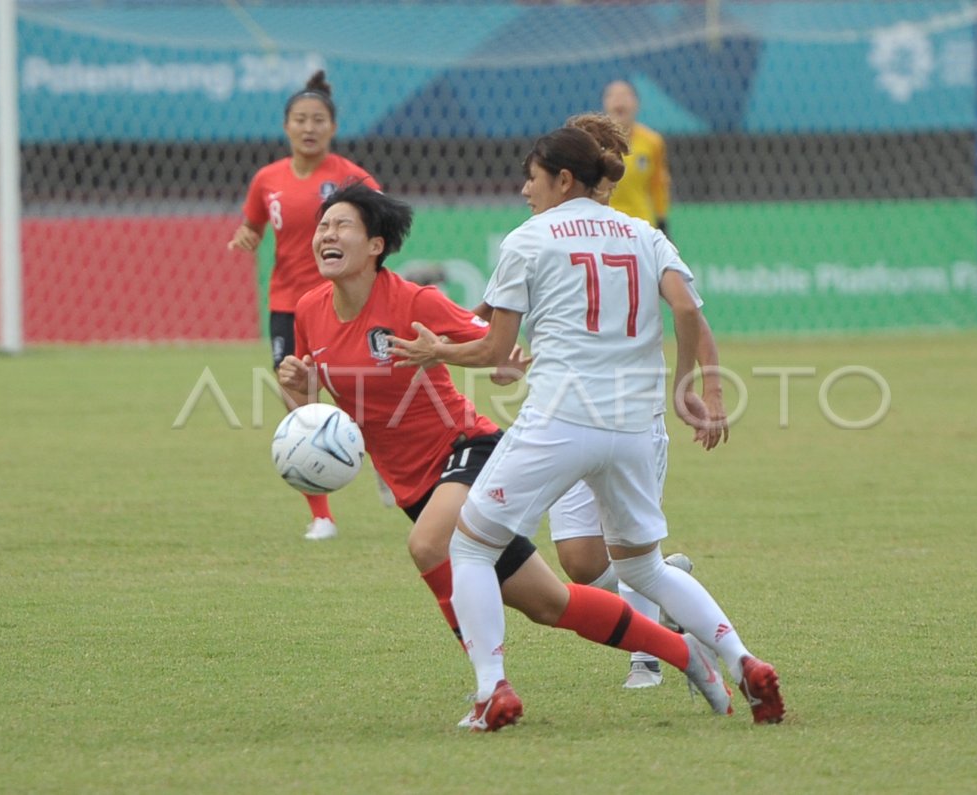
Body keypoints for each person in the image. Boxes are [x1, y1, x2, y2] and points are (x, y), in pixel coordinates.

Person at [275, 183, 736, 730]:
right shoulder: (309, 311)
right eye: (322, 226)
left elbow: (492, 343)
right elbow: (322, 418)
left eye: (341, 225)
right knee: (550, 603)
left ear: (376, 244)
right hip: (412, 485)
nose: (327, 234)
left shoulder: (413, 301)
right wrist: (299, 391)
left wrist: (509, 362)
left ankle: (492, 690)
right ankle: (687, 655)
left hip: (466, 448)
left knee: (428, 546)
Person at [389, 119, 784, 730]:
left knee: (468, 545)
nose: (525, 189)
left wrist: (433, 352)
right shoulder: (641, 232)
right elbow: (684, 307)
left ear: (562, 178)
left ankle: (492, 690)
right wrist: (691, 386)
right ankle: (743, 661)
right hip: (633, 426)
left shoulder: (529, 238)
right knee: (642, 567)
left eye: (532, 176)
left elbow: (494, 351)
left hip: (561, 419)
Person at [463, 111, 728, 691]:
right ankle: (674, 604)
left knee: (476, 544)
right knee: (582, 562)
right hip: (597, 418)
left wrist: (701, 387)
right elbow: (488, 318)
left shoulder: (623, 230)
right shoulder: (564, 232)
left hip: (583, 417)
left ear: (569, 175)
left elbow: (690, 314)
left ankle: (647, 655)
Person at [227, 69, 391, 541]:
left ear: (332, 127)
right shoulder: (266, 179)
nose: (309, 127)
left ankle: (382, 459)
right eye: (300, 119)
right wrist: (247, 235)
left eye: (318, 119)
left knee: (361, 391)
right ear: (286, 126)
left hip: (342, 303)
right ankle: (321, 513)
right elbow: (255, 225)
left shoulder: (350, 177)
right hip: (289, 305)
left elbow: (384, 223)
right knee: (299, 402)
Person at [602, 80, 672, 237]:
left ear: (637, 104)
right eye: (612, 95)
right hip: (604, 226)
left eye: (626, 95)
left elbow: (658, 185)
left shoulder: (652, 141)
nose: (619, 100)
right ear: (605, 104)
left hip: (640, 226)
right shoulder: (595, 142)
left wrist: (662, 222)